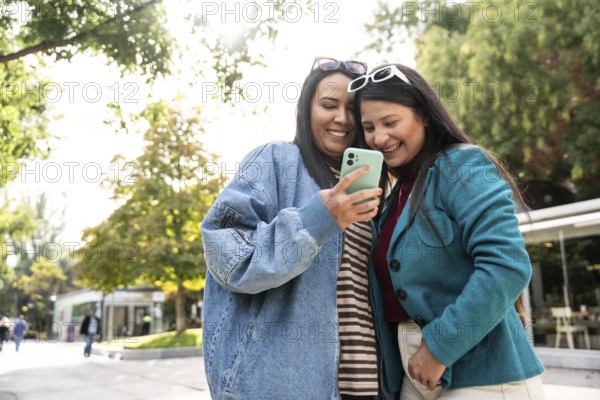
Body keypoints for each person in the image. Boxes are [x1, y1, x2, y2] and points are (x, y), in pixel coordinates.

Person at [349, 64, 545, 399]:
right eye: (369, 127)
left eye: (391, 122)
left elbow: (506, 264)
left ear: (423, 115)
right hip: (411, 374)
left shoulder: (462, 164)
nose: (379, 137)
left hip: (483, 371)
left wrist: (440, 348)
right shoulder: (396, 196)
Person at [201, 57, 387, 399]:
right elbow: (228, 259)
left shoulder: (372, 188)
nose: (341, 118)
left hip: (365, 387)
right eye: (328, 105)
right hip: (282, 386)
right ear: (306, 109)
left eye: (352, 109)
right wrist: (318, 220)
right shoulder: (276, 161)